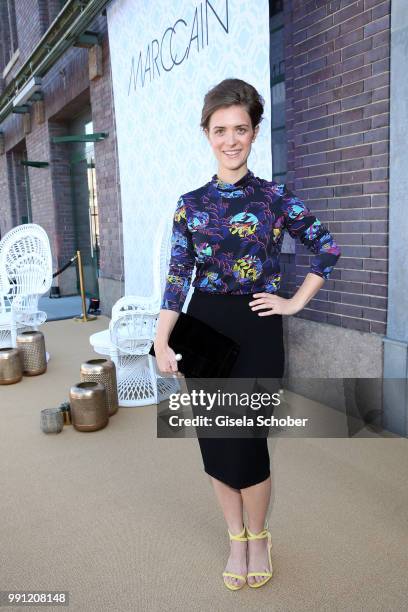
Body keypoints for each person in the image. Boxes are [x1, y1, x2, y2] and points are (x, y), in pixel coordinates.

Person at [153, 78, 342, 591]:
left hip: (258, 328)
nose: (231, 139)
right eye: (220, 130)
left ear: (255, 132)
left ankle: (259, 535)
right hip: (203, 328)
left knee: (249, 441)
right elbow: (177, 275)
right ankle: (235, 536)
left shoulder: (275, 197)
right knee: (216, 441)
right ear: (207, 134)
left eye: (241, 129)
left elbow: (327, 247)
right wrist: (161, 338)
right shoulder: (189, 204)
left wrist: (293, 301)